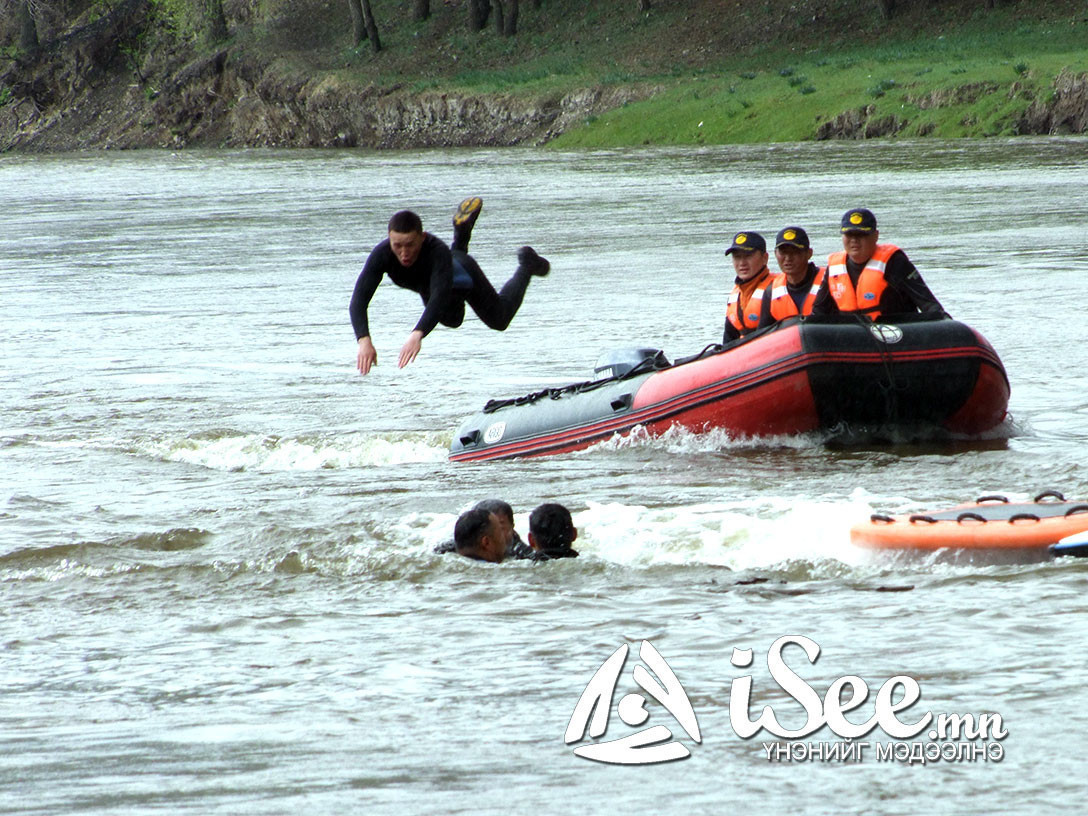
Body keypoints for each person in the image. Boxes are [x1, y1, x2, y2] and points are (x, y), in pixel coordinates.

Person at [349, 198, 550, 374]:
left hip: (462, 276)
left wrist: (417, 333)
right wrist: (363, 340)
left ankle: (526, 265)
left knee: (499, 319)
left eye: (410, 244)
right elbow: (358, 300)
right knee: (452, 319)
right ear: (389, 239)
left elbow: (439, 296)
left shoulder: (436, 251)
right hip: (434, 282)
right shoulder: (382, 254)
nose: (403, 252)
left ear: (422, 237)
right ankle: (462, 231)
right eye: (397, 245)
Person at [810, 208, 946, 321]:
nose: (854, 240)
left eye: (861, 235)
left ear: (875, 236)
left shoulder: (895, 262)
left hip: (896, 337)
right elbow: (818, 313)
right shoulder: (834, 267)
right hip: (850, 340)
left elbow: (928, 304)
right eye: (849, 234)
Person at [757, 227, 826, 327]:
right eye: (783, 252)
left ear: (809, 253)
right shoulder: (771, 292)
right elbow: (763, 335)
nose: (788, 258)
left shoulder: (827, 282)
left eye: (795, 251)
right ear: (775, 254)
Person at [434, 498, 533, 559]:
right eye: (491, 527)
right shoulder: (464, 541)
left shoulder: (521, 551)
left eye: (500, 527)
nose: (494, 532)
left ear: (512, 527)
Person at [722, 231, 772, 343]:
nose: (742, 263)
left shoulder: (777, 288)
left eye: (748, 256)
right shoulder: (734, 296)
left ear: (765, 258)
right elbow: (728, 341)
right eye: (737, 257)